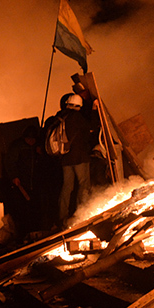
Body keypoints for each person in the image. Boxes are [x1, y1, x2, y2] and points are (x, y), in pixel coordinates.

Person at [58, 94, 100, 227]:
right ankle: (81, 215)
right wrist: (94, 108)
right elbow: (92, 126)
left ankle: (62, 217)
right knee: (84, 185)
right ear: (79, 106)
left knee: (67, 187)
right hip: (79, 157)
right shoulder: (77, 117)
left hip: (65, 158)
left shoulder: (60, 116)